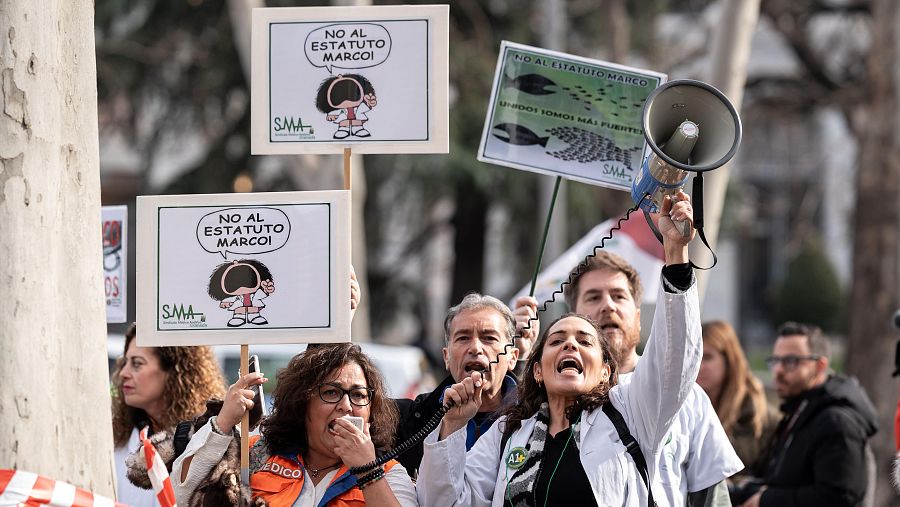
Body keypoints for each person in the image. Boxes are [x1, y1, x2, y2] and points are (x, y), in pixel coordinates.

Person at [418, 193, 701, 506]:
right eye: (556, 340)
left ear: (606, 370)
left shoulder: (632, 412)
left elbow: (673, 360)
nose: (570, 344)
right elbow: (448, 503)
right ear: (537, 370)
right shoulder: (508, 431)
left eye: (584, 341)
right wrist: (453, 427)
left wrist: (676, 253)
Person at [516, 198, 743, 506]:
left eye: (618, 296)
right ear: (573, 316)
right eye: (593, 297)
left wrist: (676, 253)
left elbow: (711, 495)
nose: (607, 306)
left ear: (637, 315)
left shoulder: (687, 395)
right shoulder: (555, 400)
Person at [172, 343, 417, 506]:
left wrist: (367, 472)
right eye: (331, 392)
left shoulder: (389, 473)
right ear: (302, 404)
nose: (346, 405)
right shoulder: (258, 455)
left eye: (359, 395)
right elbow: (181, 494)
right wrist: (224, 421)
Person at [736, 322, 878, 507]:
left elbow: (838, 497)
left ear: (820, 366)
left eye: (790, 361)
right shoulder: (801, 410)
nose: (778, 371)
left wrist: (766, 500)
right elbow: (788, 481)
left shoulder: (837, 422)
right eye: (775, 361)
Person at [393, 293, 533, 478]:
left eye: (489, 338)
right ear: (446, 357)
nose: (475, 348)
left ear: (513, 357)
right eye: (463, 338)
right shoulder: (407, 419)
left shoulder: (537, 415)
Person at [111, 323, 226, 507]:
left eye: (137, 363)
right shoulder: (116, 438)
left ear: (174, 371)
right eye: (125, 362)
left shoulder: (206, 439)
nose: (123, 373)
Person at [698, 321, 779, 480]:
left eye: (707, 357)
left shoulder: (758, 414)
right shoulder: (683, 407)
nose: (699, 365)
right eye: (695, 355)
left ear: (729, 360)